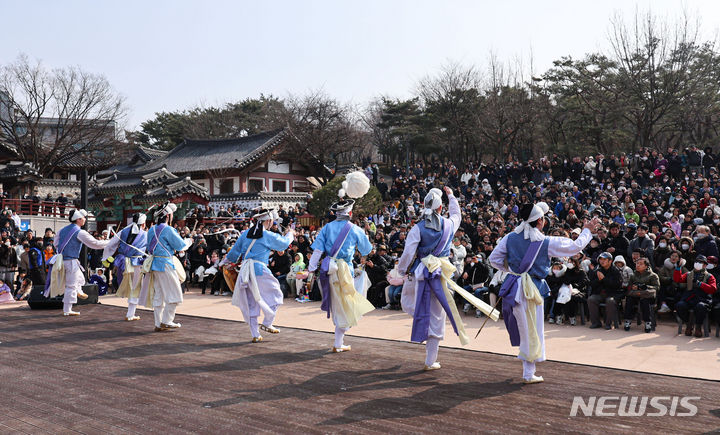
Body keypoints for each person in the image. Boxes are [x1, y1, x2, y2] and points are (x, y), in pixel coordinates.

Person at [489, 202, 597, 384]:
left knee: (523, 328)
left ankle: (527, 370)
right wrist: (587, 230)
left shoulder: (509, 237)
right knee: (533, 329)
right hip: (533, 288)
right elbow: (574, 247)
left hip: (514, 286)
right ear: (540, 221)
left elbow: (494, 259)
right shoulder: (546, 242)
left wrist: (512, 270)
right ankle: (528, 373)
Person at [400, 186, 493, 371]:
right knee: (436, 316)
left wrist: (403, 271)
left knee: (410, 303)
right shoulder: (449, 225)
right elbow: (457, 214)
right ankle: (430, 358)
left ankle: (423, 330)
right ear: (441, 208)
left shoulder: (417, 228)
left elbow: (408, 253)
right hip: (440, 273)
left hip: (421, 273)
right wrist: (451, 195)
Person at [308, 196, 374, 353]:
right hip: (345, 270)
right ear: (350, 212)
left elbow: (317, 250)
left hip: (329, 269)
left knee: (339, 306)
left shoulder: (326, 228)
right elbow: (367, 250)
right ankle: (339, 341)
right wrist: (367, 234)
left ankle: (339, 342)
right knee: (350, 304)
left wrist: (311, 268)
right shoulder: (355, 229)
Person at [223, 208, 294, 342]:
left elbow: (233, 253)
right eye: (272, 221)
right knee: (276, 294)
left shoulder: (245, 234)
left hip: (245, 270)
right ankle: (267, 322)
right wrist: (290, 234)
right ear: (268, 220)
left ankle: (255, 334)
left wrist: (225, 262)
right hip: (259, 268)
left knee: (251, 301)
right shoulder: (266, 235)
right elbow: (283, 244)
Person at [44, 209, 110, 316]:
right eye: (83, 218)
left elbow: (56, 244)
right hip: (71, 261)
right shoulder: (79, 232)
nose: (84, 220)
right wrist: (110, 242)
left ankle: (78, 291)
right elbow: (95, 244)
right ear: (78, 219)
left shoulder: (62, 230)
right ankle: (67, 309)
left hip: (61, 260)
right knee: (71, 285)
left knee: (81, 279)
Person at [142, 203, 189, 331]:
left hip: (155, 265)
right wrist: (188, 242)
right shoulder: (168, 229)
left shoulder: (151, 230)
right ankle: (167, 320)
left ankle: (158, 323)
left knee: (159, 294)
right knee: (175, 293)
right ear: (168, 216)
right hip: (166, 264)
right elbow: (181, 246)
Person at [103, 213, 148, 321]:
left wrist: (106, 256)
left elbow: (110, 244)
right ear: (143, 224)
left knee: (128, 286)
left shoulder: (123, 231)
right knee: (135, 288)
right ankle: (130, 313)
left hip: (123, 262)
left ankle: (130, 313)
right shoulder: (145, 235)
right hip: (136, 263)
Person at [673, 254, 717, 337]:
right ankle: (688, 324)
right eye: (696, 262)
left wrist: (700, 284)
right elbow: (678, 279)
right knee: (679, 305)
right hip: (689, 298)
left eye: (700, 262)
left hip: (703, 299)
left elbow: (713, 289)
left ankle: (698, 326)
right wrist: (678, 268)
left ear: (705, 265)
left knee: (701, 307)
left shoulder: (709, 276)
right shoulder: (689, 274)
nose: (698, 264)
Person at [587, 252, 623, 329]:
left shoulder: (616, 271)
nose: (602, 261)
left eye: (604, 259)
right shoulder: (597, 270)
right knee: (591, 299)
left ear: (610, 261)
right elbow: (591, 284)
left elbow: (617, 285)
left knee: (610, 301)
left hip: (612, 294)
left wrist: (604, 279)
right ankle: (596, 323)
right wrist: (599, 280)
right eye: (600, 259)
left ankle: (609, 324)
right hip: (599, 294)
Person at [623, 257, 659, 333]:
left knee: (645, 301)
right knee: (629, 300)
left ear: (646, 266)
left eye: (641, 264)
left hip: (647, 296)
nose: (638, 265)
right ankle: (628, 320)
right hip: (635, 295)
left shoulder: (653, 276)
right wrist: (633, 287)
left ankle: (647, 322)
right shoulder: (633, 275)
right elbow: (629, 286)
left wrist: (643, 287)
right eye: (637, 263)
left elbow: (657, 287)